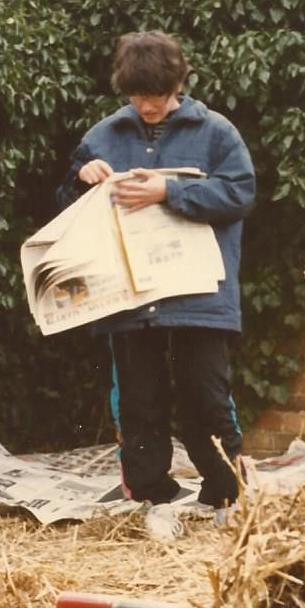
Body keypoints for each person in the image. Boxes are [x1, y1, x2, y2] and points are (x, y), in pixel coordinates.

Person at [57, 30, 256, 540]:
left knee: (206, 395)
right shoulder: (103, 135)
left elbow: (239, 194)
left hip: (199, 295)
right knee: (139, 400)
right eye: (137, 96)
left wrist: (170, 190)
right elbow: (65, 210)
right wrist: (82, 181)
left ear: (180, 84)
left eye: (158, 95)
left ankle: (226, 495)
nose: (147, 106)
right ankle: (154, 499)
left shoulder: (216, 132)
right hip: (129, 295)